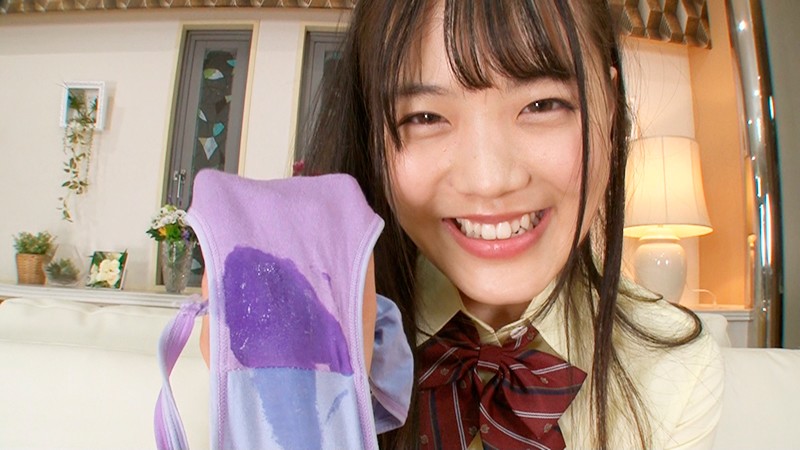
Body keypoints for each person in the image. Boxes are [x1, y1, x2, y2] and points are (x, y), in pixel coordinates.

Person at [298, 0, 724, 449]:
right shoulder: (313, 336)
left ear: (611, 107)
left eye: (542, 104)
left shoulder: (675, 370)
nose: (489, 180)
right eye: (425, 117)